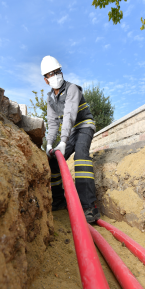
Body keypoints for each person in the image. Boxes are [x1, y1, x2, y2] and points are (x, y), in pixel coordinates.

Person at [41, 55, 100, 223]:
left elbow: (69, 115)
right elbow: (52, 124)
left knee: (81, 157)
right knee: (53, 161)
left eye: (57, 71)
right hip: (73, 131)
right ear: (46, 80)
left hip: (85, 125)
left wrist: (64, 140)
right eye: (51, 74)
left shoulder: (72, 88)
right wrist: (50, 144)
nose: (55, 76)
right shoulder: (50, 99)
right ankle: (59, 200)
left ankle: (89, 207)